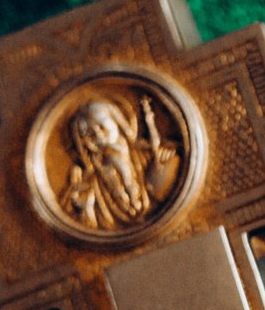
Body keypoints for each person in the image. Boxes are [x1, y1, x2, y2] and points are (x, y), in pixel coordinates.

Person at [56, 95, 177, 230]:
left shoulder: (154, 156)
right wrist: (86, 209)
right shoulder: (85, 181)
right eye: (89, 133)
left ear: (116, 123)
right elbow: (73, 220)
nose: (98, 134)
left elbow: (170, 187)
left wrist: (158, 178)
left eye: (102, 125)